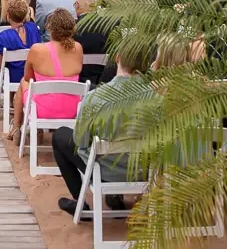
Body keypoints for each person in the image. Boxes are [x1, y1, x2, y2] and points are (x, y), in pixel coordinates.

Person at [52, 48, 152, 216]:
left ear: (118, 59)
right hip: (143, 170)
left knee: (60, 136)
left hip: (103, 171)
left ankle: (80, 203)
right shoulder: (156, 98)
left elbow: (80, 141)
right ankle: (114, 196)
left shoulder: (94, 97)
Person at [6, 6, 84, 140]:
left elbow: (28, 77)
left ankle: (16, 127)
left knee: (23, 82)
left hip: (43, 109)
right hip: (72, 109)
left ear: (49, 28)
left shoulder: (38, 49)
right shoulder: (78, 48)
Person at [73, 0, 110, 85]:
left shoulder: (72, 29)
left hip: (78, 79)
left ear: (77, 5)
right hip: (104, 79)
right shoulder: (109, 25)